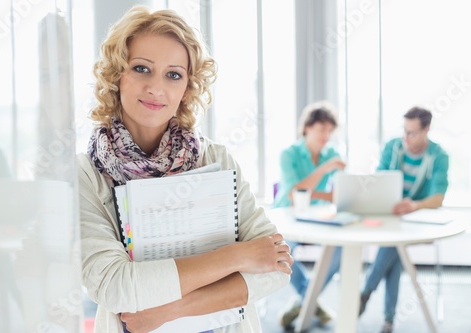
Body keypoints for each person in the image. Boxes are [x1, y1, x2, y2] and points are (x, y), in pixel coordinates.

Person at [77, 5, 294, 333]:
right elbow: (115, 286)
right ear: (115, 75)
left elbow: (276, 266)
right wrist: (237, 257)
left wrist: (171, 309)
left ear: (187, 88)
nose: (157, 87)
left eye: (173, 74)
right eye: (141, 68)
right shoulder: (85, 174)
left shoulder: (216, 160)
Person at [358, 106, 449, 333]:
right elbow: (378, 178)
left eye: (413, 133)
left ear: (426, 129)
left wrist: (414, 205)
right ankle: (388, 320)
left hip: (416, 223)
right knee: (394, 254)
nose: (406, 138)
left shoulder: (439, 156)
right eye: (404, 131)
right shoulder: (393, 147)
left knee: (392, 247)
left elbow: (437, 198)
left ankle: (366, 291)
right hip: (389, 217)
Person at [273, 101, 346, 329]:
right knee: (285, 250)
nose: (326, 135)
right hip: (288, 217)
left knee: (341, 248)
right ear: (307, 128)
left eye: (329, 130)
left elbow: (337, 195)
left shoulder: (332, 153)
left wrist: (330, 194)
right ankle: (311, 300)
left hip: (318, 218)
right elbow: (296, 195)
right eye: (321, 129)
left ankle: (304, 302)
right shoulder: (289, 154)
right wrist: (324, 170)